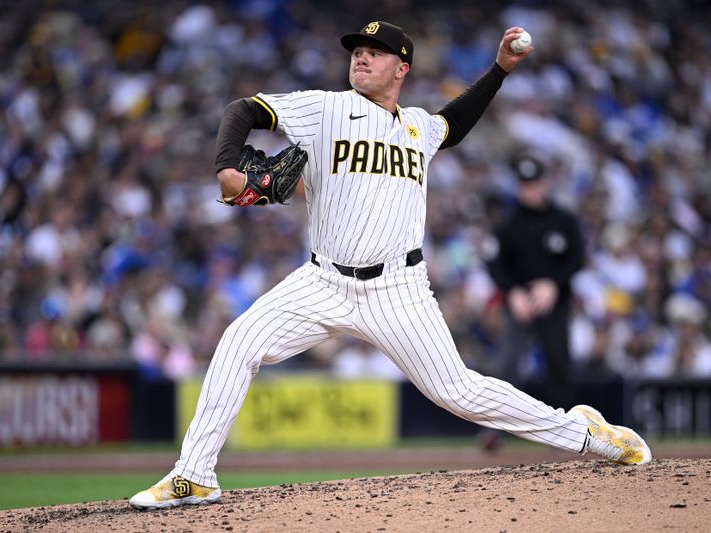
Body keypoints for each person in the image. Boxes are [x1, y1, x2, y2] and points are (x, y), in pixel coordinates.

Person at [129, 21, 652, 510]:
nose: (360, 58)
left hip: (397, 289)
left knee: (459, 392)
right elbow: (243, 110)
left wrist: (499, 72)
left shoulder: (420, 127)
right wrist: (226, 165)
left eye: (373, 53)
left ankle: (584, 433)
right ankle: (194, 473)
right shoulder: (325, 109)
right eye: (357, 52)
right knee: (238, 342)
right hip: (322, 280)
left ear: (401, 68)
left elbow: (456, 123)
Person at [486, 152, 585, 410]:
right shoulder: (506, 224)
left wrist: (553, 283)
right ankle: (495, 428)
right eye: (524, 185)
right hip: (518, 302)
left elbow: (577, 258)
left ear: (545, 183)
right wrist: (512, 292)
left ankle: (565, 430)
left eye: (533, 184)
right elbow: (494, 263)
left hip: (555, 301)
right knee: (508, 362)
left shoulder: (564, 220)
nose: (529, 190)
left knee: (558, 360)